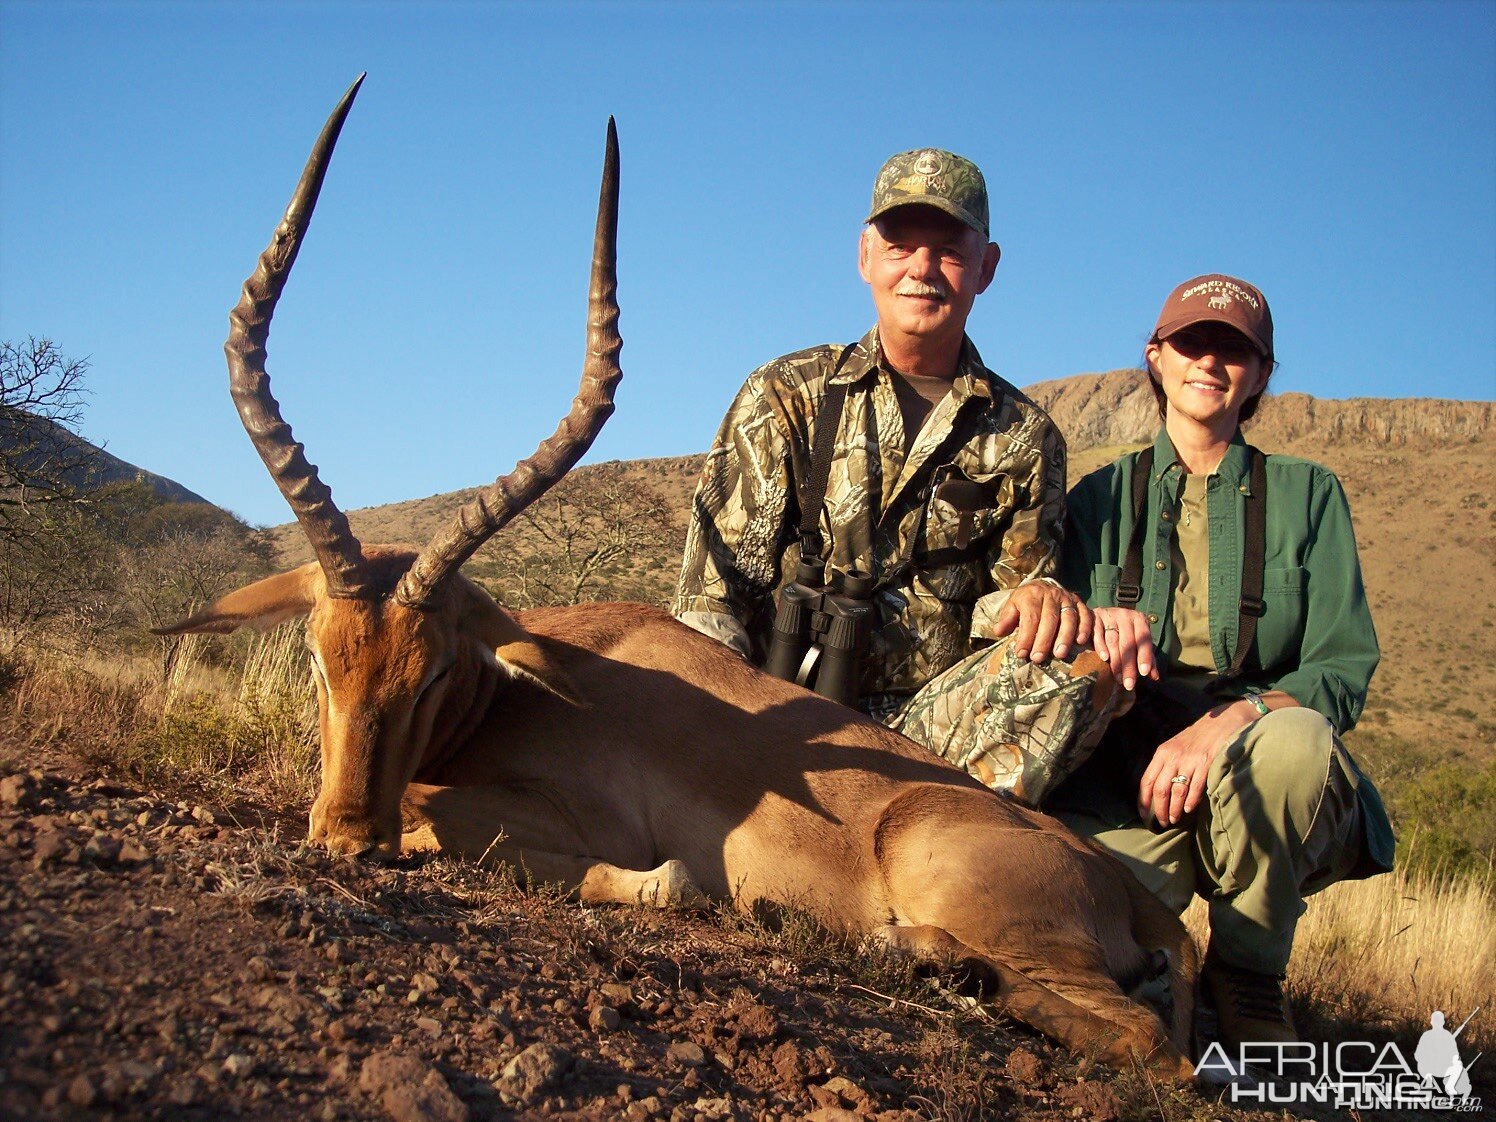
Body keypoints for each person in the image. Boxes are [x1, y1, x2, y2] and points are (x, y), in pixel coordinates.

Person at [674, 148, 1113, 800]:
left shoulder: (1026, 435)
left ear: (986, 268)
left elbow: (1014, 610)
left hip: (930, 742)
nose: (923, 270)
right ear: (865, 257)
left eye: (950, 250)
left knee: (1075, 665)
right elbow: (711, 597)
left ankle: (947, 842)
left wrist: (1039, 603)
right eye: (900, 245)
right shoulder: (787, 393)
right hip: (775, 713)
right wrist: (729, 727)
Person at [1052, 274, 1395, 1054]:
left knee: (1298, 743)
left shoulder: (1310, 496)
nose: (1210, 361)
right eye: (1191, 343)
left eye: (1234, 349)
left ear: (1262, 374)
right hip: (1127, 774)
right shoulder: (1095, 500)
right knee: (1091, 950)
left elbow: (1341, 668)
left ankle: (1247, 974)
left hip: (1260, 756)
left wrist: (1231, 721)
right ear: (1157, 358)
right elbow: (1053, 649)